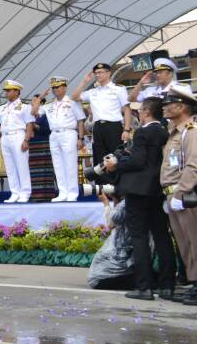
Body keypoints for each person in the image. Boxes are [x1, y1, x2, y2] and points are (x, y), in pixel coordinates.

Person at [104, 97, 170, 301]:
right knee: (162, 236)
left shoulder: (143, 132)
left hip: (139, 191)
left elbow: (139, 161)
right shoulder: (165, 131)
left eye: (140, 110)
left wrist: (116, 165)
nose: (138, 113)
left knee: (139, 237)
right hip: (157, 190)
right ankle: (167, 286)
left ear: (147, 112)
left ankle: (144, 286)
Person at [159, 85, 197, 305]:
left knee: (194, 241)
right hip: (173, 195)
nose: (164, 107)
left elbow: (193, 165)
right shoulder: (174, 132)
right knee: (184, 243)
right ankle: (193, 282)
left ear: (181, 106)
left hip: (185, 195)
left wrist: (180, 193)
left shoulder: (190, 131)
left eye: (168, 103)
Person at [71, 62, 130, 183]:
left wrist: (127, 129)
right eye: (96, 73)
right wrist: (85, 81)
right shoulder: (93, 92)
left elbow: (127, 108)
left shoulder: (118, 89)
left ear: (109, 73)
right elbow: (75, 97)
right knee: (100, 158)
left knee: (115, 156)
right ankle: (103, 188)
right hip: (98, 127)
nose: (98, 75)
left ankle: (117, 187)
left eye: (101, 72)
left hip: (113, 126)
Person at [32, 76, 86, 202]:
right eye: (53, 87)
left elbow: (80, 121)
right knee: (58, 164)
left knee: (70, 163)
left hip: (68, 133)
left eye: (58, 87)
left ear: (65, 87)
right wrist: (40, 98)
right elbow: (33, 112)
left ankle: (72, 192)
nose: (55, 89)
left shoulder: (72, 102)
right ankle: (62, 192)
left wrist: (81, 138)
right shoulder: (49, 105)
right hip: (54, 135)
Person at [0, 80, 35, 203]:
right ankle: (15, 192)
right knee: (10, 167)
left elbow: (29, 125)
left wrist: (26, 140)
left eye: (9, 90)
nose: (6, 93)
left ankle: (25, 192)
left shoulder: (25, 107)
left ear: (17, 91)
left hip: (18, 135)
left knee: (21, 165)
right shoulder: (1, 108)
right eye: (6, 90)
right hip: (5, 137)